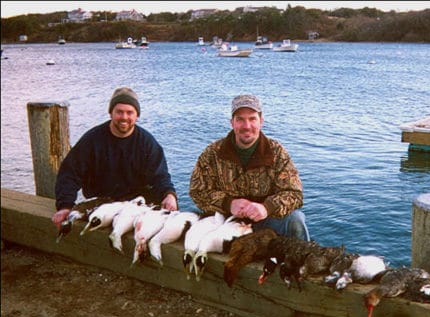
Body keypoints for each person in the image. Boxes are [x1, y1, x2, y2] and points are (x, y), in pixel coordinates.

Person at [52, 86, 177, 229]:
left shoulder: (147, 143)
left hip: (137, 204)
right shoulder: (92, 140)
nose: (124, 117)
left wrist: (169, 195)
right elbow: (69, 174)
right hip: (102, 204)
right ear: (111, 113)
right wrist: (65, 206)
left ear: (137, 115)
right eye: (119, 112)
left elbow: (160, 176)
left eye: (129, 112)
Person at [189, 94, 309, 241]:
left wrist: (267, 208)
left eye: (252, 119)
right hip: (226, 220)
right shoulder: (212, 153)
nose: (247, 126)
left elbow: (294, 194)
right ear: (232, 123)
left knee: (295, 220)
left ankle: (299, 262)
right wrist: (228, 203)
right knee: (192, 222)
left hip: (266, 221)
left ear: (261, 121)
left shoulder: (277, 153)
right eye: (240, 119)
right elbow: (197, 191)